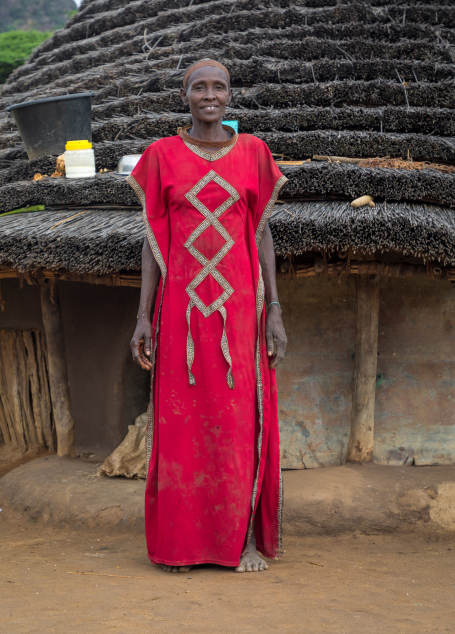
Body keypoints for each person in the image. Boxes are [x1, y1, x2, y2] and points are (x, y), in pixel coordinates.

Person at [129, 59, 287, 573]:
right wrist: (143, 316)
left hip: (241, 312)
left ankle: (238, 542)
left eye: (219, 86)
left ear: (231, 95)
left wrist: (275, 311)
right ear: (185, 95)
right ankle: (181, 543)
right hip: (179, 313)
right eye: (200, 87)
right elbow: (153, 244)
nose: (210, 95)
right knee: (182, 425)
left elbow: (262, 232)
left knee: (239, 425)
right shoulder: (161, 156)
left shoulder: (254, 154)